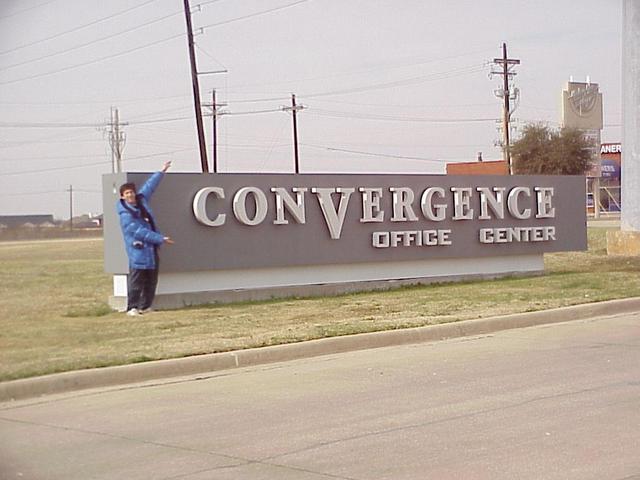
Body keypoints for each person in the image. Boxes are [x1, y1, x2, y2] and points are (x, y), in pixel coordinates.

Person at [117, 161, 174, 316]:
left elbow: (150, 186)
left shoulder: (141, 201)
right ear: (122, 196)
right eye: (126, 193)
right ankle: (132, 307)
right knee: (136, 281)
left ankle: (145, 306)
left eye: (131, 192)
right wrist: (160, 239)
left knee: (151, 280)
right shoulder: (125, 215)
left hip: (151, 250)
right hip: (138, 251)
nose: (130, 195)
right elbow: (140, 232)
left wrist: (162, 170)